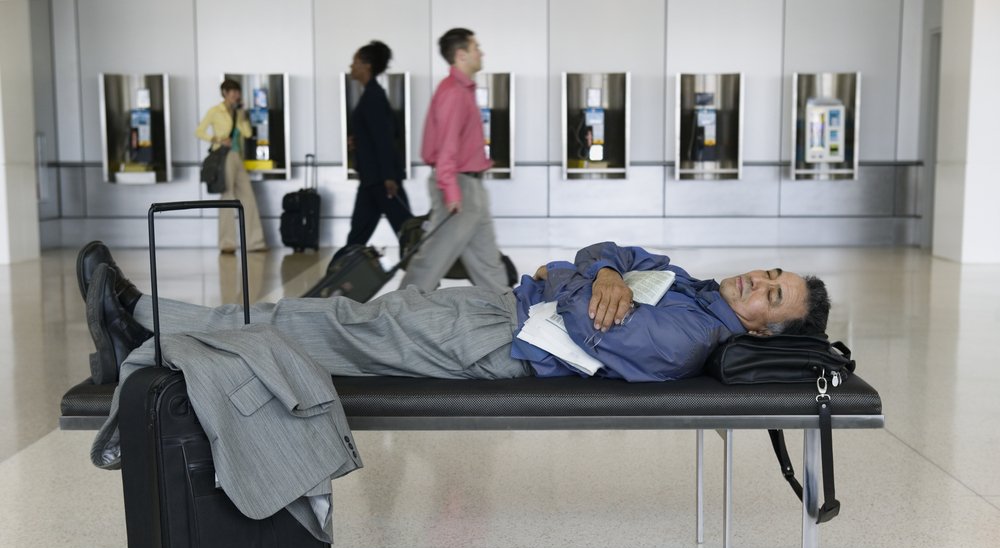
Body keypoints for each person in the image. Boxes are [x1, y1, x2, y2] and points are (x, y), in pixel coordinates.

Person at [78, 240, 830, 386]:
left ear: (764, 327)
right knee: (333, 326)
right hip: (499, 310)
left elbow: (581, 314)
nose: (755, 283)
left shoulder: (689, 334)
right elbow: (610, 250)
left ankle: (146, 320)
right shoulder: (695, 287)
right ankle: (150, 334)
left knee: (329, 326)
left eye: (771, 294)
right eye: (769, 272)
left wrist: (575, 275)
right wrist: (598, 268)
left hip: (496, 340)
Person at [400, 28, 508, 294]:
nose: (481, 52)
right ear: (461, 55)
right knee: (432, 260)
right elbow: (446, 146)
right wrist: (451, 190)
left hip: (472, 185)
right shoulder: (453, 92)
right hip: (459, 186)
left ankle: (509, 313)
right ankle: (395, 312)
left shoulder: (464, 90)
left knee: (487, 262)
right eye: (476, 48)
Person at [338, 40, 411, 256]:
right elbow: (377, 135)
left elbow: (385, 138)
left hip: (382, 181)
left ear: (366, 65)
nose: (351, 66)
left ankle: (424, 280)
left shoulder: (374, 97)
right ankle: (338, 282)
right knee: (358, 237)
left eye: (355, 62)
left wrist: (389, 177)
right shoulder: (372, 95)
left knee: (407, 233)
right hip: (373, 179)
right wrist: (358, 141)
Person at [196, 79, 268, 254]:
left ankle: (255, 242)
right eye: (232, 92)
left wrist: (242, 116)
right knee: (227, 197)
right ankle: (227, 243)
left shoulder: (238, 112)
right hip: (224, 155)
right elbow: (199, 131)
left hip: (237, 156)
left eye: (237, 91)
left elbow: (248, 133)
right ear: (225, 93)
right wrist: (217, 139)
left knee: (248, 197)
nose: (235, 95)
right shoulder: (215, 111)